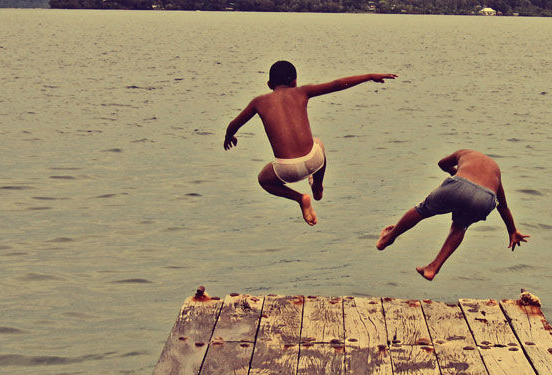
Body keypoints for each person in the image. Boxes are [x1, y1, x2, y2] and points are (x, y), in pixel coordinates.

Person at [224, 60, 397, 225]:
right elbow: (337, 84)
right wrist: (369, 76)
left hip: (286, 170)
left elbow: (233, 124)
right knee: (318, 143)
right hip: (314, 161)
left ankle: (300, 198)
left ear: (269, 84)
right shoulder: (301, 92)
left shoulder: (258, 102)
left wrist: (228, 137)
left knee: (263, 180)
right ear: (294, 82)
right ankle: (318, 186)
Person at [376, 149, 529, 280]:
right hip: (485, 197)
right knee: (460, 227)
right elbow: (503, 206)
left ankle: (387, 238)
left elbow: (442, 163)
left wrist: (453, 172)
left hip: (458, 185)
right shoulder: (495, 170)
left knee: (422, 210)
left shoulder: (464, 153)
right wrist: (512, 231)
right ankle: (432, 268)